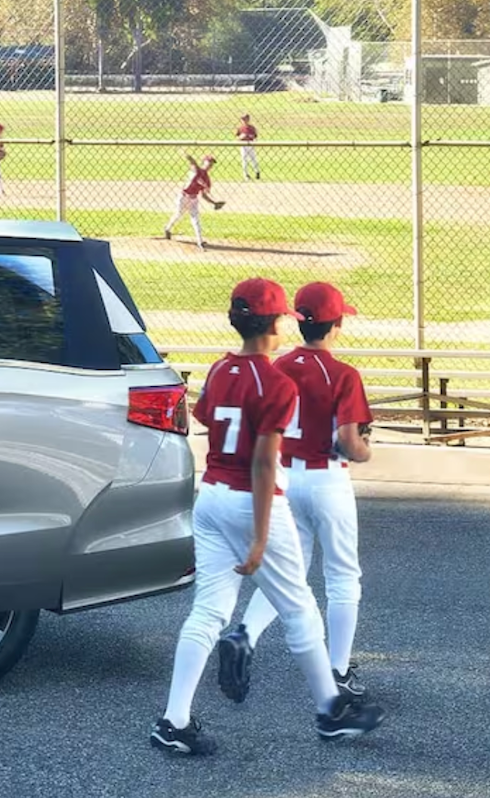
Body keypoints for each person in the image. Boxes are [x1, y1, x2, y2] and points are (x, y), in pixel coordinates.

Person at [151, 277, 383, 756]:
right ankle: (330, 711)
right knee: (299, 606)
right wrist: (259, 537)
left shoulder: (219, 370)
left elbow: (209, 417)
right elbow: (261, 461)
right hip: (249, 498)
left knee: (209, 610)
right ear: (274, 323)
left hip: (211, 494)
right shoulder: (274, 382)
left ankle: (173, 720)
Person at [217, 281, 373, 705]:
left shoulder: (277, 367)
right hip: (326, 480)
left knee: (291, 571)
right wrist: (365, 451)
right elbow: (348, 441)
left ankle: (245, 635)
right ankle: (338, 670)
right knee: (342, 577)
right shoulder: (342, 374)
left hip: (285, 476)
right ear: (336, 325)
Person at [164, 153, 223, 251]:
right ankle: (167, 228)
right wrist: (187, 155)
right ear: (204, 162)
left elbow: (203, 195)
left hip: (194, 199)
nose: (210, 165)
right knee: (178, 215)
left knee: (196, 220)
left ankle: (200, 241)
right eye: (209, 162)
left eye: (212, 164)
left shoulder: (207, 180)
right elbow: (192, 162)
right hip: (183, 197)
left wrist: (213, 203)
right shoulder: (196, 170)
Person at [235, 113, 261, 180]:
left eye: (245, 119)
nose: (244, 120)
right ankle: (245, 174)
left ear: (248, 119)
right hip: (243, 145)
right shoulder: (240, 128)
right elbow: (237, 137)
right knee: (244, 160)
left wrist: (249, 136)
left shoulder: (252, 128)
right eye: (243, 119)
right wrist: (241, 137)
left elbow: (255, 136)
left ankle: (257, 172)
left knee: (253, 159)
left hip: (251, 144)